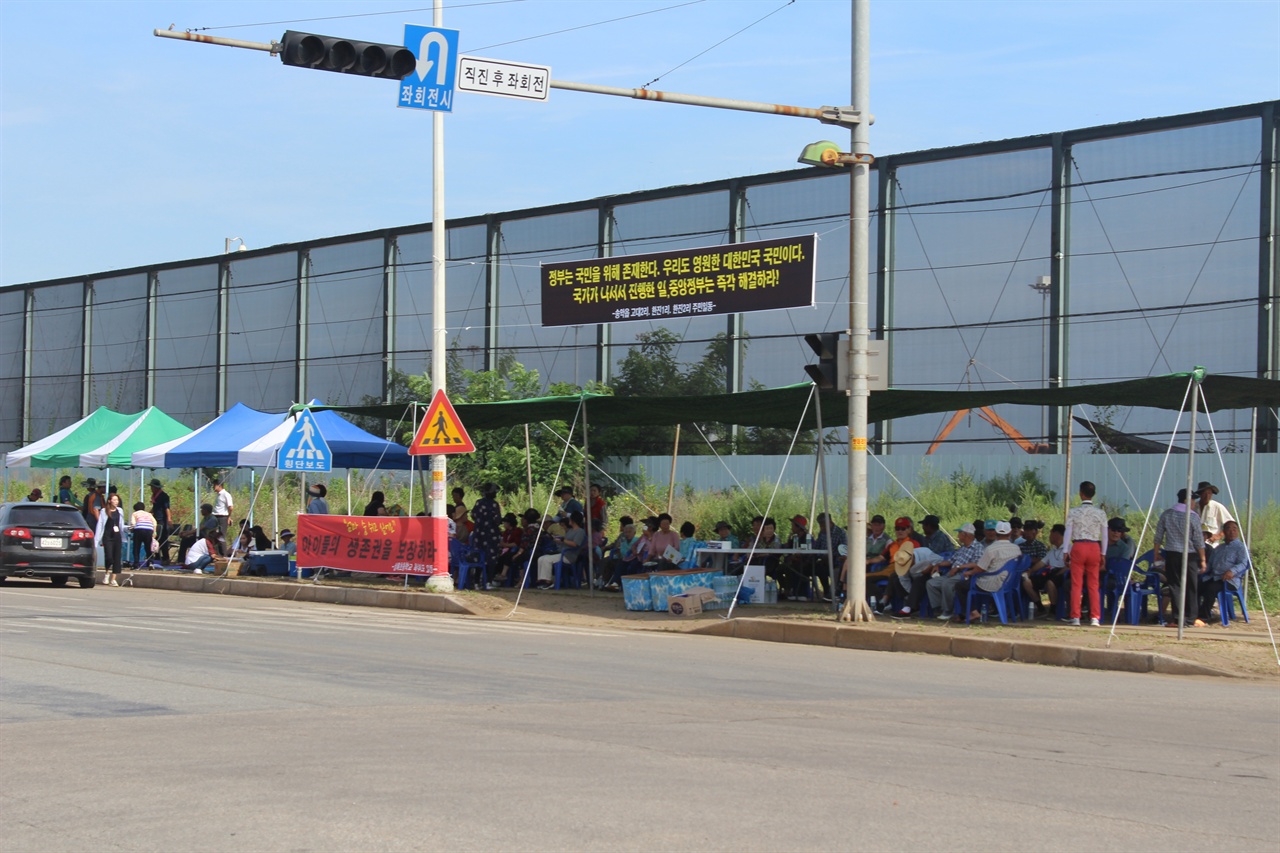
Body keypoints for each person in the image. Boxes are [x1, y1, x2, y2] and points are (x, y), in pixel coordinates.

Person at [1152, 487, 1207, 628]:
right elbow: (1198, 540)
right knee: (1191, 586)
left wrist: (1156, 553)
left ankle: (1177, 618)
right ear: (1187, 500)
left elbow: (1158, 536)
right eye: (1193, 500)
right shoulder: (1193, 516)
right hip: (1189, 555)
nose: (1194, 503)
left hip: (1172, 554)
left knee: (1175, 585)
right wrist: (1203, 559)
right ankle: (1191, 617)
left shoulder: (1167, 514)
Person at [951, 520, 1021, 621]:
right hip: (1010, 582)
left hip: (992, 583)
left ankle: (973, 612)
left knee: (960, 586)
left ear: (996, 533)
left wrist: (969, 572)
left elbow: (980, 568)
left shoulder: (991, 549)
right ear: (1009, 533)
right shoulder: (1016, 548)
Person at [1063, 481, 1108, 627]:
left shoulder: (1074, 512)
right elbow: (1105, 535)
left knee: (1076, 584)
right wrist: (1103, 553)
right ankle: (1095, 617)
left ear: (1081, 493)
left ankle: (1075, 616)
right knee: (1093, 584)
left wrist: (1065, 550)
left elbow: (1068, 531)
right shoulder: (1100, 513)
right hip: (1094, 546)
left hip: (1078, 545)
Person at [926, 523, 986, 619]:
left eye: (959, 533)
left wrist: (959, 567)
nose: (958, 536)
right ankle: (938, 608)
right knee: (931, 583)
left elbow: (978, 563)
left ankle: (948, 611)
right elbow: (951, 561)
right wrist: (938, 565)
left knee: (947, 583)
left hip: (965, 574)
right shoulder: (962, 548)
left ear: (965, 534)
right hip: (952, 573)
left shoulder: (978, 547)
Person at [1198, 520, 1248, 622]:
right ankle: (1192, 614)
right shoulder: (1219, 548)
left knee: (1211, 589)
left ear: (1237, 531)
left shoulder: (1240, 547)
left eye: (1234, 529)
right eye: (1228, 529)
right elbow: (1210, 564)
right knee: (1195, 586)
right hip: (1214, 577)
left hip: (1229, 580)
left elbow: (1243, 563)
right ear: (1224, 532)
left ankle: (1204, 617)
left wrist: (1232, 571)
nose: (1232, 531)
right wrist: (1201, 571)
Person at [535, 511, 585, 589]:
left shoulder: (580, 531)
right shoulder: (570, 531)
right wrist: (556, 539)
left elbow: (575, 544)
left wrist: (563, 540)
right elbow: (564, 540)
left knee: (547, 560)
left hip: (569, 555)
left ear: (573, 520)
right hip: (562, 552)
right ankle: (541, 579)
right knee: (541, 558)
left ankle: (548, 581)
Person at [1024, 523, 1066, 617]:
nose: (1049, 536)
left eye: (1051, 533)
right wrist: (1030, 571)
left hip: (1061, 574)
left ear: (1056, 534)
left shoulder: (1069, 549)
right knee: (1027, 582)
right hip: (1049, 572)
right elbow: (1041, 563)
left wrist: (1058, 573)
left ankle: (1053, 610)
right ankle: (1040, 608)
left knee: (1050, 583)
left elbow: (1069, 566)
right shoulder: (1052, 551)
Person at [810, 512, 847, 601]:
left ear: (829, 522)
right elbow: (816, 547)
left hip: (836, 561)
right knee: (816, 568)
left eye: (823, 524)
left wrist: (831, 556)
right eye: (820, 525)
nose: (821, 527)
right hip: (823, 561)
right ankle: (826, 591)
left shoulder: (840, 533)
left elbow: (843, 550)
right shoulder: (822, 533)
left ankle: (832, 593)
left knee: (833, 569)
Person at [602, 516, 643, 590]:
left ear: (634, 533)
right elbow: (623, 554)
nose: (627, 534)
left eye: (629, 532)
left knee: (631, 564)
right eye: (626, 532)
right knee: (619, 563)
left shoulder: (638, 540)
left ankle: (627, 584)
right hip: (625, 559)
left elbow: (638, 552)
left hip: (636, 559)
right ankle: (613, 583)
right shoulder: (623, 543)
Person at [94, 492, 126, 586]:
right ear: (109, 501)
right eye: (114, 500)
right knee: (109, 556)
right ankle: (107, 573)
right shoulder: (104, 511)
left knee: (117, 557)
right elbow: (100, 525)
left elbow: (121, 524)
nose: (116, 502)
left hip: (117, 536)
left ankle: (113, 579)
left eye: (117, 500)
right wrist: (97, 539)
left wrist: (127, 529)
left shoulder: (120, 510)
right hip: (107, 536)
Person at [471, 483, 503, 572]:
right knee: (490, 557)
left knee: (479, 556)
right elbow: (497, 519)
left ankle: (477, 581)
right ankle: (488, 580)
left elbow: (473, 515)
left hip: (479, 534)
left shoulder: (478, 502)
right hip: (491, 536)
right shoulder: (494, 504)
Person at [1193, 481, 1234, 548]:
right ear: (1200, 494)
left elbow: (1231, 524)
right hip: (1196, 546)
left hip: (1212, 545)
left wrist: (1218, 536)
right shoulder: (1194, 507)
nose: (1207, 496)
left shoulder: (1217, 507)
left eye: (1209, 493)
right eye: (1204, 493)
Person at [149, 478, 173, 564]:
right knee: (156, 539)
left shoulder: (164, 496)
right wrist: (149, 513)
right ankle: (157, 556)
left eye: (152, 487)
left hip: (162, 519)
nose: (151, 489)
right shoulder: (155, 496)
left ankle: (166, 557)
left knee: (163, 539)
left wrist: (169, 519)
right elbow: (155, 507)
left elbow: (167, 508)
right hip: (155, 519)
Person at [129, 501, 156, 568]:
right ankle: (150, 562)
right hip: (149, 530)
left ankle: (136, 564)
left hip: (139, 529)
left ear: (135, 509)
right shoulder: (149, 514)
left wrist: (131, 528)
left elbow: (133, 523)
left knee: (136, 547)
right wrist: (154, 532)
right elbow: (154, 522)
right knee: (148, 547)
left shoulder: (135, 513)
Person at [211, 478, 234, 550]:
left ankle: (224, 554)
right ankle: (218, 553)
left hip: (222, 517)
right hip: (216, 517)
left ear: (219, 485)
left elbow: (230, 507)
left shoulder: (226, 494)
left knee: (221, 536)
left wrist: (228, 517)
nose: (213, 487)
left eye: (214, 485)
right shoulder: (218, 495)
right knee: (214, 536)